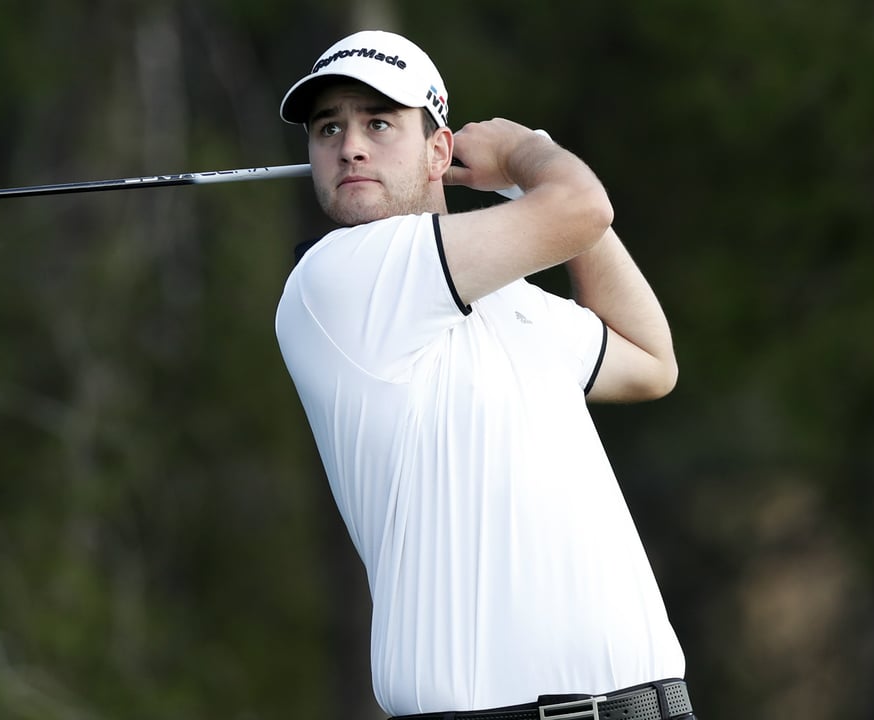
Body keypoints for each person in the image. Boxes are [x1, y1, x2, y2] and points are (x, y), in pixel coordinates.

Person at [273, 30, 695, 720]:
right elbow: (581, 208)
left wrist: (525, 180)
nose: (349, 145)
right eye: (329, 128)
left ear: (438, 151)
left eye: (378, 123)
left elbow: (650, 362)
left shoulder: (511, 301)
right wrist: (529, 154)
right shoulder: (338, 279)